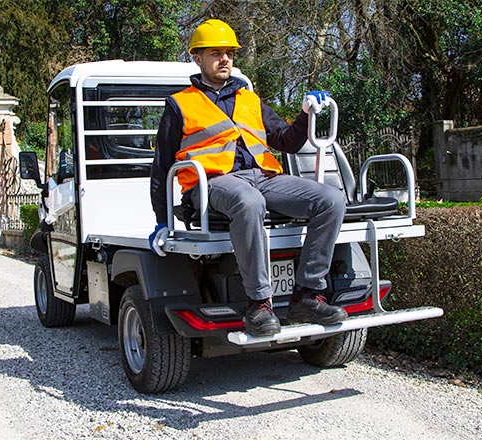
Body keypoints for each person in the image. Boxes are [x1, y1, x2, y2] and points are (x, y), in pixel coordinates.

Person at [148, 19, 348, 337]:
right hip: (211, 184)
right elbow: (160, 167)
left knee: (330, 199)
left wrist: (306, 114)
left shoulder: (249, 99)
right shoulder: (180, 104)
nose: (225, 59)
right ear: (197, 58)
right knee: (248, 200)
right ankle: (259, 305)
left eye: (229, 53)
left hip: (263, 177)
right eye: (216, 53)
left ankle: (308, 294)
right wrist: (162, 222)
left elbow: (286, 141)